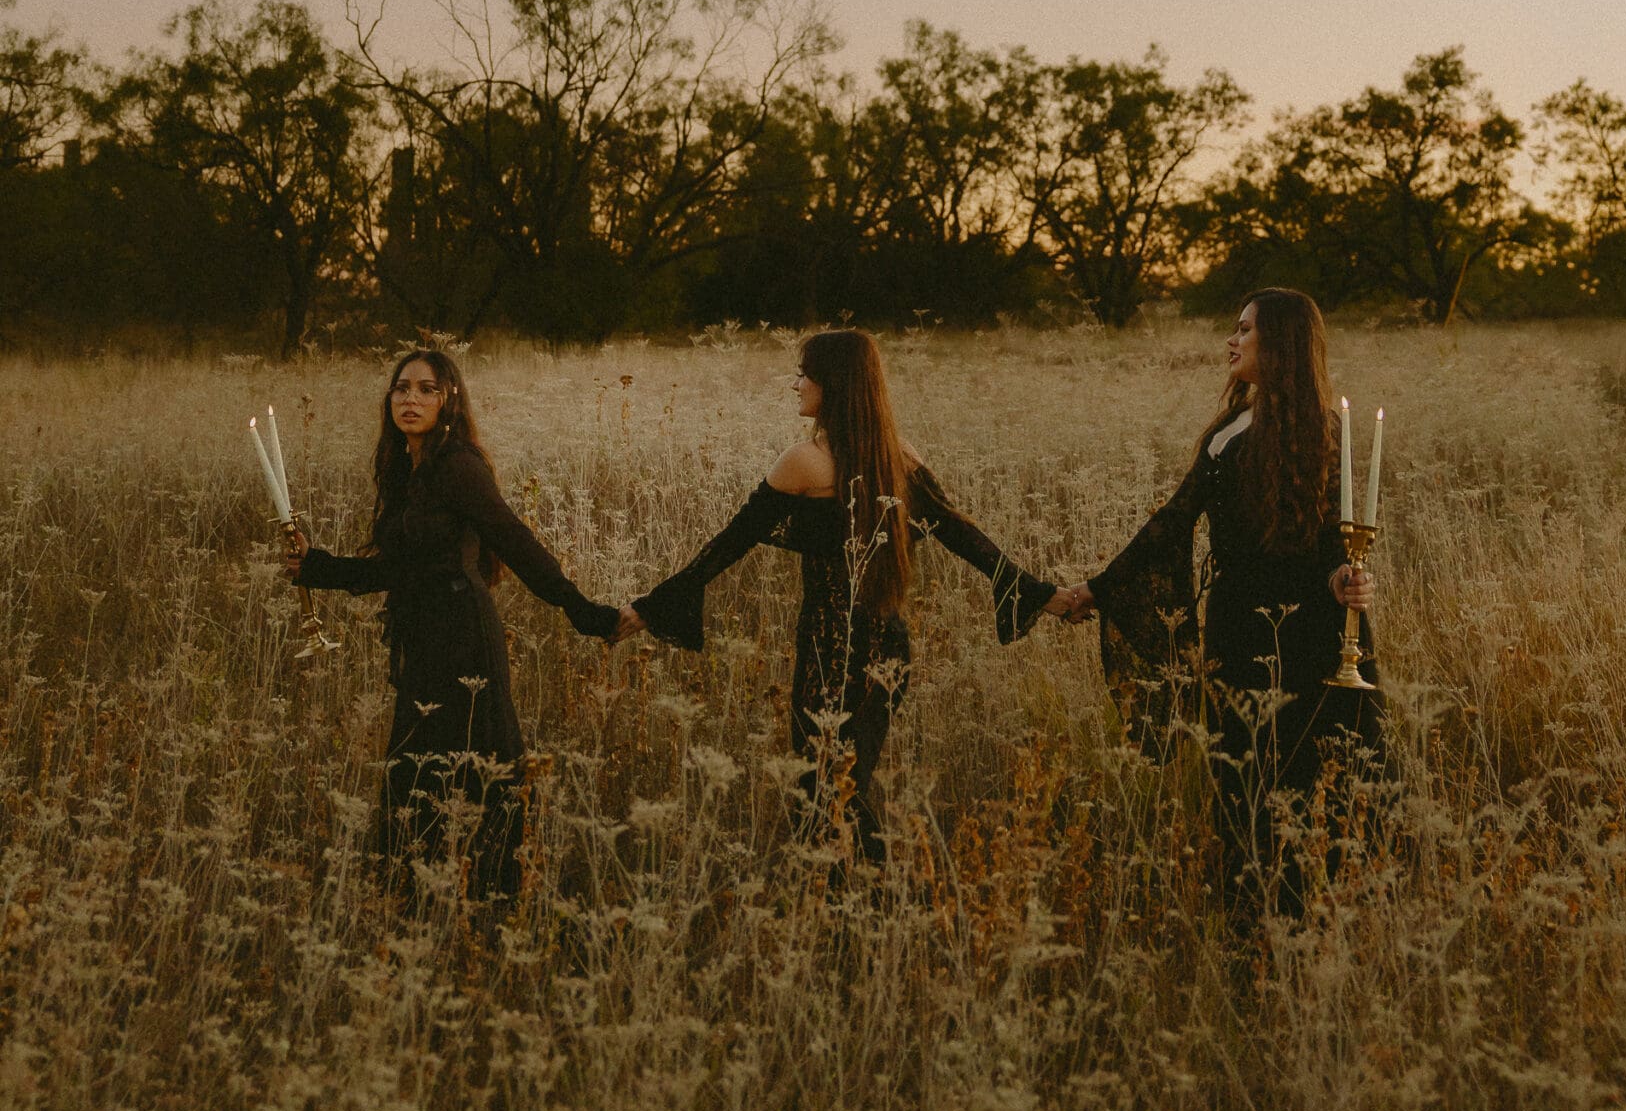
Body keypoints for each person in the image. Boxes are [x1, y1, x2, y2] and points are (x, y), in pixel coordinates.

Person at [623, 327, 1072, 867]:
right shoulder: (899, 457)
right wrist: (1042, 595)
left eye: (803, 374)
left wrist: (647, 609)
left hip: (829, 650)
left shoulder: (803, 463)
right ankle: (860, 910)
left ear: (830, 384)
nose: (795, 385)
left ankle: (857, 904)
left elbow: (726, 546)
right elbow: (964, 537)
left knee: (825, 790)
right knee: (847, 785)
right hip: (889, 650)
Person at [1060, 289, 1382, 920]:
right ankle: (1256, 930)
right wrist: (1098, 588)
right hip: (1239, 630)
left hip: (1310, 634)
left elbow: (1335, 546)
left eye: (1245, 330)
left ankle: (1318, 926)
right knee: (1244, 785)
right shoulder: (1231, 428)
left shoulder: (1325, 431)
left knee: (1314, 781)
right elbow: (1172, 524)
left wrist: (1350, 578)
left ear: (1281, 344)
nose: (1232, 341)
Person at [283, 349, 620, 898]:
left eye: (426, 389)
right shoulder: (405, 469)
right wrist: (317, 566)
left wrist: (586, 613)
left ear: (449, 400)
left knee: (479, 768)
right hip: (425, 636)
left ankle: (501, 897)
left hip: (463, 639)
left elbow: (515, 541)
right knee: (416, 769)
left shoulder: (458, 465)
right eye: (401, 388)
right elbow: (399, 569)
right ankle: (417, 895)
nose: (410, 399)